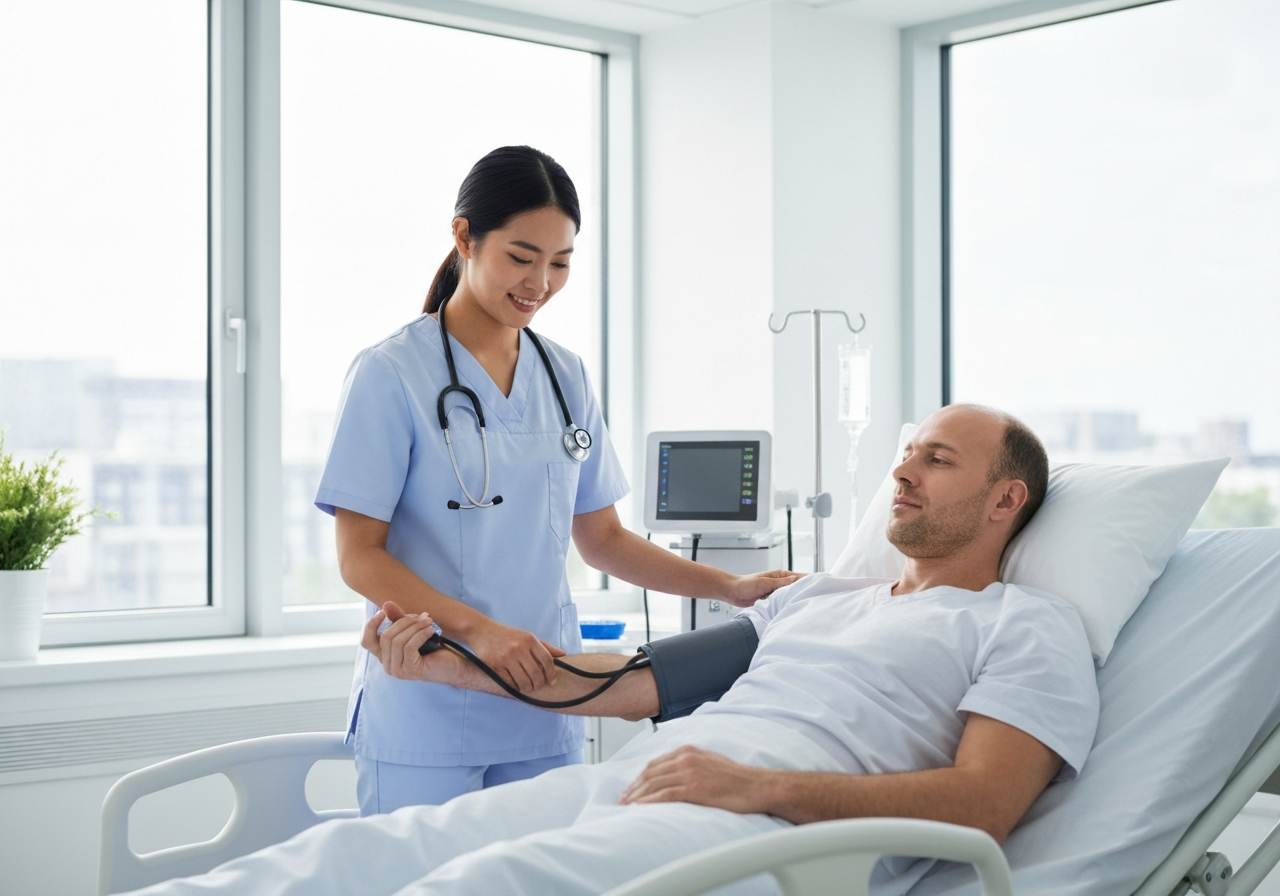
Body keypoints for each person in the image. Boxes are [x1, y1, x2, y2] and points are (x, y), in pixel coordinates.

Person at [131, 404, 1099, 896]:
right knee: (362, 850)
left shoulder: (1022, 624)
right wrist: (451, 661)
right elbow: (629, 682)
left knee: (474, 887)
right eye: (905, 450)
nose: (901, 468)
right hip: (652, 778)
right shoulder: (813, 598)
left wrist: (755, 786)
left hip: (778, 836)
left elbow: (982, 805)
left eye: (936, 458)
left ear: (1005, 500)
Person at [315, 145, 798, 815]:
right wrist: (482, 633)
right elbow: (358, 556)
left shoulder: (565, 376)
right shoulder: (391, 373)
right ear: (464, 237)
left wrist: (732, 586)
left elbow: (600, 538)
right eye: (521, 257)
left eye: (561, 262)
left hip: (546, 700)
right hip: (426, 704)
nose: (540, 282)